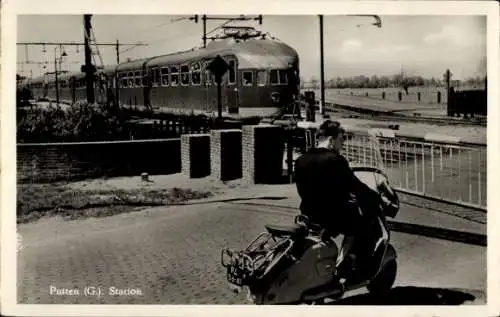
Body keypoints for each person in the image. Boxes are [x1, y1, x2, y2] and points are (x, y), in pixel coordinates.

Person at [294, 120, 387, 279]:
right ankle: (342, 264)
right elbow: (356, 187)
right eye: (341, 139)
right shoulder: (336, 160)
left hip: (308, 213)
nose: (342, 144)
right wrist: (376, 197)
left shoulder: (301, 160)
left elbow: (302, 190)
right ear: (331, 140)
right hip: (332, 217)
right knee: (362, 226)